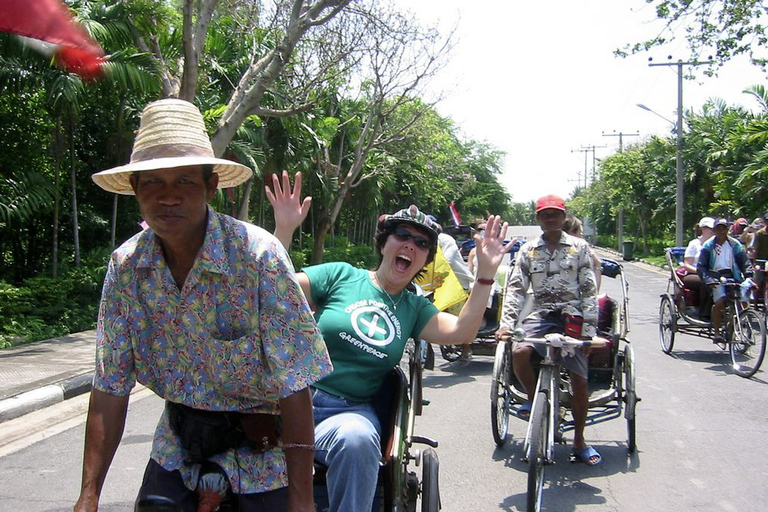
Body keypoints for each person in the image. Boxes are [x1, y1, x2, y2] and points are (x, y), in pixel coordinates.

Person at [76, 99, 332, 512]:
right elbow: (109, 387)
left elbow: (295, 383)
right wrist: (88, 496)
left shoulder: (258, 257)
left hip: (261, 453)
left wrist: (302, 501)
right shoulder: (127, 267)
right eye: (153, 183)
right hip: (179, 447)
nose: (168, 197)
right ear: (136, 191)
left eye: (185, 182)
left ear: (211, 187)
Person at [266, 172, 510, 511]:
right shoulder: (341, 275)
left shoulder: (415, 308)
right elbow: (275, 288)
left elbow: (463, 332)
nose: (411, 245)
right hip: (291, 401)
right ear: (384, 243)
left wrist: (485, 274)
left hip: (347, 414)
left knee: (358, 441)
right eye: (402, 235)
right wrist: (285, 229)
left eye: (422, 243)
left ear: (425, 260)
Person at [495, 194, 601, 466]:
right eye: (545, 214)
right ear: (538, 219)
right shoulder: (528, 250)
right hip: (541, 313)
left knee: (579, 379)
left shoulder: (580, 247)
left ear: (564, 217)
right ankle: (535, 401)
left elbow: (589, 290)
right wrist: (507, 323)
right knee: (519, 351)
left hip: (573, 316)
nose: (550, 218)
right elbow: (516, 289)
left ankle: (579, 440)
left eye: (555, 213)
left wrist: (588, 332)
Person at [697, 218, 754, 343]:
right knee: (720, 302)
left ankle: (733, 325)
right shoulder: (708, 246)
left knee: (743, 300)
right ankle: (717, 333)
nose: (722, 231)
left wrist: (749, 276)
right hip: (715, 277)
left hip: (733, 276)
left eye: (724, 228)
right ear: (714, 230)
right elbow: (701, 266)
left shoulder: (735, 245)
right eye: (719, 228)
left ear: (728, 230)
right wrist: (709, 280)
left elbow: (745, 262)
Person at [681, 216, 715, 317]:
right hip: (694, 274)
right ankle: (705, 313)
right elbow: (687, 265)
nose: (713, 231)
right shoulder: (694, 244)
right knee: (706, 282)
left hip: (712, 273)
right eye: (710, 229)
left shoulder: (716, 244)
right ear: (703, 229)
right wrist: (701, 272)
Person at [562, 213, 602, 291]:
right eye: (580, 234)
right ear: (571, 232)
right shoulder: (582, 252)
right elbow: (593, 291)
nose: (582, 238)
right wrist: (598, 265)